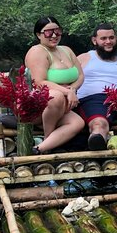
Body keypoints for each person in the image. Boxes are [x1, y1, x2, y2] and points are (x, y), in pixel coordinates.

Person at [24, 17, 85, 153]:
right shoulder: (37, 51)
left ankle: (41, 148)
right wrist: (66, 92)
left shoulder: (67, 50)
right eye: (48, 32)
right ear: (39, 35)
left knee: (78, 123)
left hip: (64, 106)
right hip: (41, 106)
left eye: (57, 31)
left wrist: (73, 88)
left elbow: (80, 75)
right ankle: (48, 135)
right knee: (55, 96)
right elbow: (39, 82)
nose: (53, 35)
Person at [76, 23, 117, 150]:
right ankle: (97, 142)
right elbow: (70, 80)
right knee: (99, 124)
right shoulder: (84, 58)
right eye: (103, 39)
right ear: (94, 40)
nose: (108, 42)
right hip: (94, 99)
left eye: (111, 38)